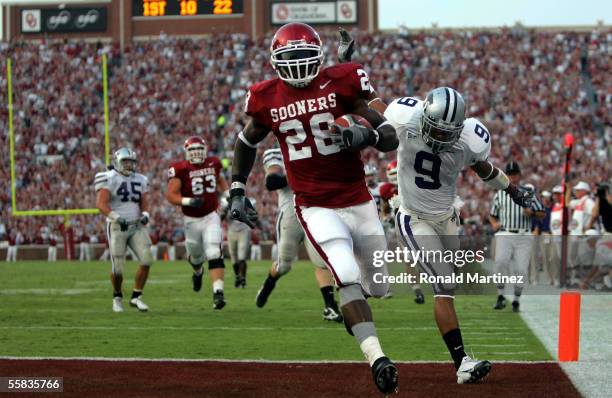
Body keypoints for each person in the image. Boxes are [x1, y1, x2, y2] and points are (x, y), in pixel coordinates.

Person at [229, 22, 399, 395]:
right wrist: (237, 188)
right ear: (275, 62)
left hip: (358, 199)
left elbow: (390, 133)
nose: (298, 65)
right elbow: (245, 142)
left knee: (380, 285)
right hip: (315, 206)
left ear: (319, 56)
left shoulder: (343, 81)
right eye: (290, 58)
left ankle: (357, 315)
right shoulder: (265, 97)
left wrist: (366, 134)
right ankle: (377, 358)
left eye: (305, 56)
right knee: (346, 274)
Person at [384, 87, 535, 384]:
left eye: (447, 132)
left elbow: (484, 167)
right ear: (424, 117)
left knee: (447, 283)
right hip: (414, 217)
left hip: (447, 216)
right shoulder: (405, 116)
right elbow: (375, 112)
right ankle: (462, 364)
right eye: (436, 130)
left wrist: (514, 191)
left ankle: (461, 362)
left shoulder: (470, 138)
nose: (440, 138)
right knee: (444, 282)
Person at [254, 148, 342, 322]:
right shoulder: (278, 151)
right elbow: (272, 182)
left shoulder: (318, 147)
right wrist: (299, 174)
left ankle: (330, 307)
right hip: (291, 214)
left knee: (321, 261)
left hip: (314, 212)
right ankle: (268, 283)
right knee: (284, 265)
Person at [166, 136, 231, 310]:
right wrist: (188, 201)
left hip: (211, 215)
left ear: (205, 150)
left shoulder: (214, 163)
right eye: (192, 150)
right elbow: (171, 195)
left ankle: (218, 293)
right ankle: (197, 272)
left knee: (213, 251)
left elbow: (221, 183)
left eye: (199, 150)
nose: (196, 153)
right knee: (195, 257)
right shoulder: (180, 168)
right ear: (187, 152)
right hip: (191, 220)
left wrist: (227, 196)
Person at [95, 148, 153, 313]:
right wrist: (115, 216)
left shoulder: (141, 179)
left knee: (147, 259)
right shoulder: (108, 178)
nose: (129, 165)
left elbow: (144, 201)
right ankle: (117, 296)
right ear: (117, 162)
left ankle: (136, 297)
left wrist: (146, 214)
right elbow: (101, 203)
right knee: (118, 268)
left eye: (131, 162)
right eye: (125, 161)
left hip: (136, 225)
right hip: (117, 226)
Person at [490, 162, 545, 311]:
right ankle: (500, 295)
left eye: (515, 174)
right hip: (505, 232)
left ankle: (516, 299)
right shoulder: (500, 193)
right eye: (510, 174)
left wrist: (532, 213)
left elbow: (542, 213)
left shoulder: (528, 192)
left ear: (519, 176)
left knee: (521, 269)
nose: (512, 177)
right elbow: (492, 215)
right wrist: (494, 224)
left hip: (524, 234)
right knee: (500, 262)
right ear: (506, 176)